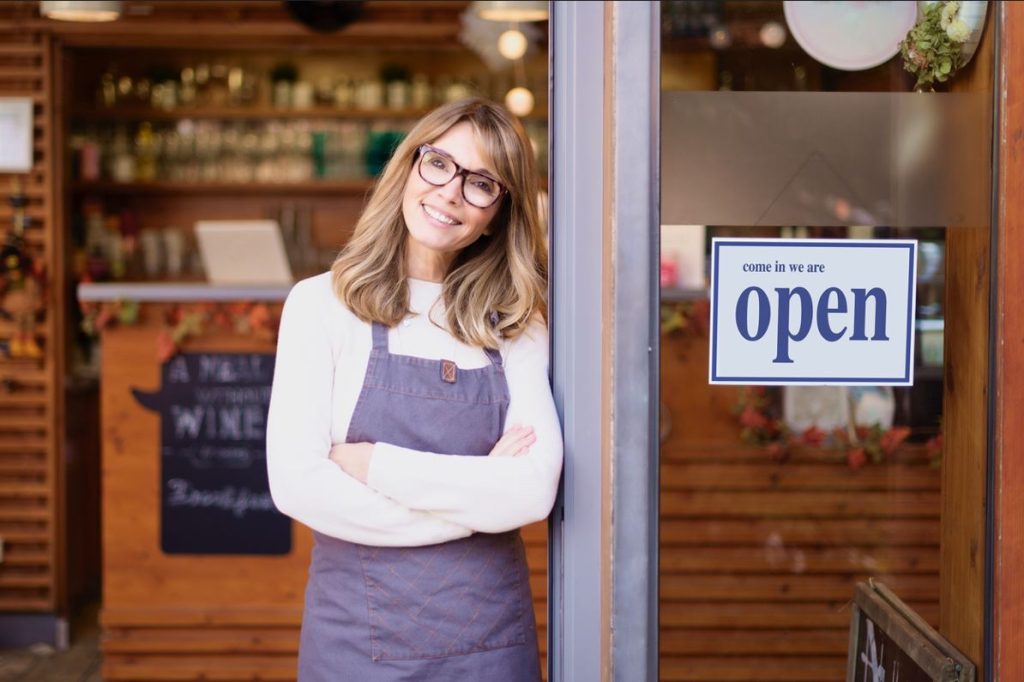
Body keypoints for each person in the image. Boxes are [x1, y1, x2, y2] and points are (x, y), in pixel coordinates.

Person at [266, 98, 563, 681]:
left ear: (499, 212)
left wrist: (373, 464)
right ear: (408, 167)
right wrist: (475, 507)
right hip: (357, 643)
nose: (451, 192)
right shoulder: (319, 306)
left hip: (490, 648)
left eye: (482, 183)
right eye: (439, 164)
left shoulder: (516, 322)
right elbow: (298, 487)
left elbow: (530, 495)